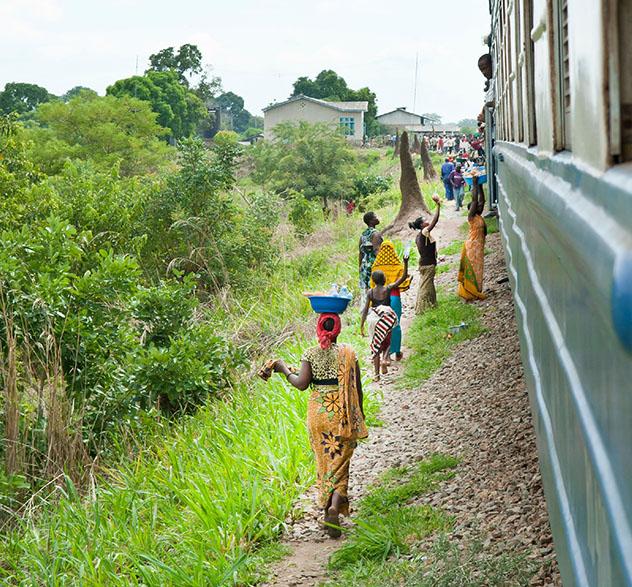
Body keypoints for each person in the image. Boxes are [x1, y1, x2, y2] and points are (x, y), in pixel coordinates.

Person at [260, 313, 367, 538]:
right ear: (337, 330)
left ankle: (327, 505)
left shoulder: (310, 354)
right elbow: (357, 388)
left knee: (324, 460)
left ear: (319, 328)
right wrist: (360, 416)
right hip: (342, 413)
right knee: (341, 461)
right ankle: (334, 507)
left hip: (318, 413)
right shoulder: (349, 354)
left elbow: (301, 384)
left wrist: (283, 369)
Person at [360, 259, 409, 380]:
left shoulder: (370, 292)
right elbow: (402, 278)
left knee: (376, 345)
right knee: (387, 341)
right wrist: (406, 263)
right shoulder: (387, 289)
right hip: (385, 318)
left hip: (374, 319)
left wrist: (361, 325)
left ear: (373, 281)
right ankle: (385, 358)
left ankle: (376, 375)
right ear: (384, 279)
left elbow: (365, 309)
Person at [369, 240, 412, 361]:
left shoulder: (376, 267)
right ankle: (397, 352)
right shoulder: (397, 265)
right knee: (395, 324)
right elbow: (404, 277)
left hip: (378, 301)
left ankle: (385, 355)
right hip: (394, 297)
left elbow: (372, 285)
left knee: (381, 326)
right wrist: (406, 262)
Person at [410, 194, 441, 314]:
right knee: (425, 288)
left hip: (425, 264)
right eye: (425, 221)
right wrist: (438, 206)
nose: (428, 222)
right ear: (422, 225)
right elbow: (435, 220)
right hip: (428, 265)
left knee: (429, 286)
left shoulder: (420, 235)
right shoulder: (424, 232)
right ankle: (421, 309)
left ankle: (432, 304)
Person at [458, 175, 487, 300]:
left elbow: (481, 200)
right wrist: (474, 184)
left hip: (477, 247)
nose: (480, 207)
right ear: (472, 209)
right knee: (473, 270)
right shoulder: (471, 217)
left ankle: (476, 290)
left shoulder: (478, 215)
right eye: (476, 207)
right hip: (472, 247)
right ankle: (470, 292)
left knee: (479, 269)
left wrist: (480, 184)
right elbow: (475, 200)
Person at [358, 212, 383, 304]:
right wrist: (383, 264)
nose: (378, 218)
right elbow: (377, 251)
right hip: (374, 264)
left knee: (366, 288)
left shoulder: (363, 235)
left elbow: (360, 253)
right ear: (371, 221)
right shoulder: (375, 234)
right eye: (376, 217)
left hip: (365, 265)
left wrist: (360, 267)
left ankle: (366, 308)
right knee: (374, 286)